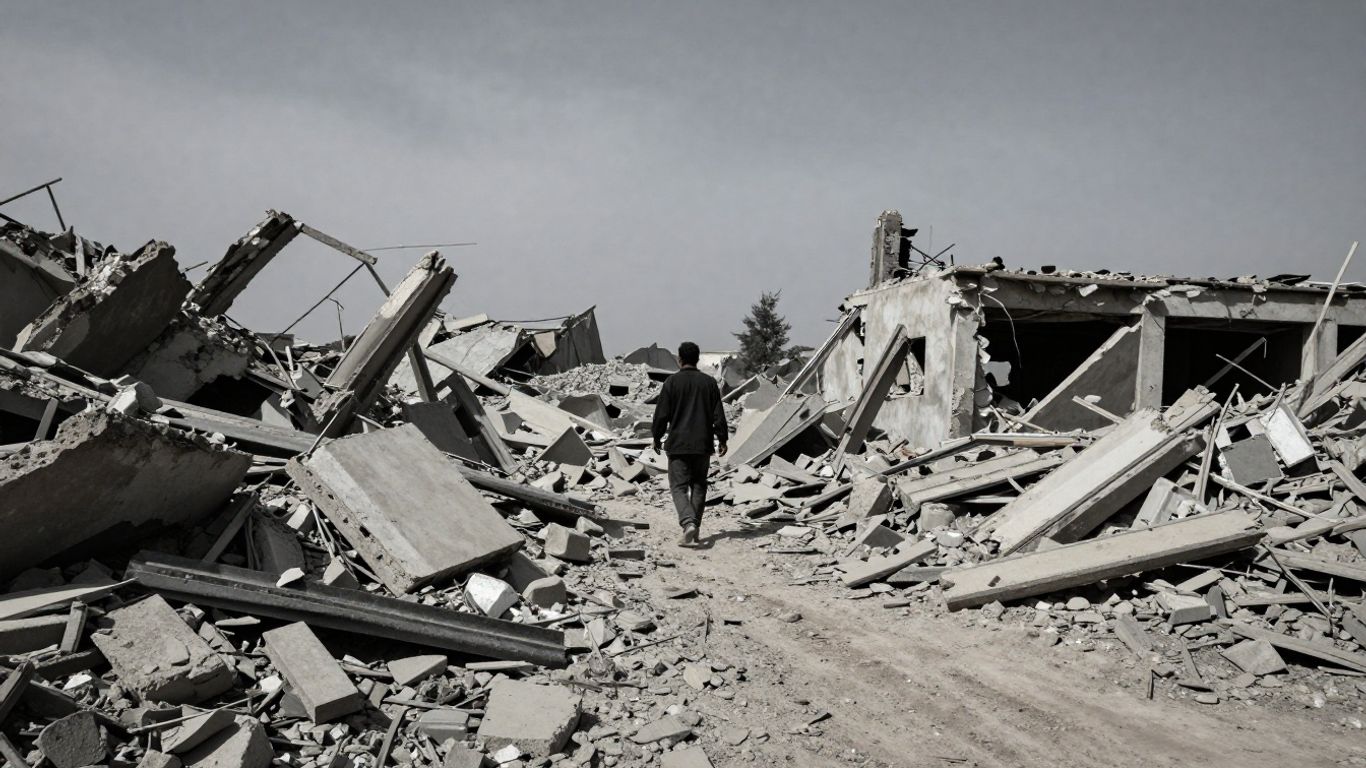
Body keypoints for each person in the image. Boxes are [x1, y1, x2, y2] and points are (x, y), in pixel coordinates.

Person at [651, 341, 728, 547]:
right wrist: (722, 439)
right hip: (702, 444)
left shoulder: (671, 383)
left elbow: (661, 415)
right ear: (697, 359)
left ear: (679, 359)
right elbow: (718, 415)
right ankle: (694, 529)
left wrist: (656, 437)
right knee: (699, 485)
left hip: (678, 444)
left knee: (678, 486)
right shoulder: (709, 383)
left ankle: (688, 523)